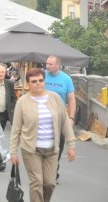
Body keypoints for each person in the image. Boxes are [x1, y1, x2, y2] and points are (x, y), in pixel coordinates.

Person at [10, 68, 75, 202]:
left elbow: (65, 123)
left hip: (52, 150)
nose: (38, 83)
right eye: (34, 81)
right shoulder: (22, 102)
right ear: (28, 84)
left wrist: (70, 145)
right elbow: (15, 129)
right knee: (37, 182)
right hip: (31, 150)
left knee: (50, 183)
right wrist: (13, 152)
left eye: (40, 80)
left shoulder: (55, 98)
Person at [45, 55, 76, 184]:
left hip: (60, 118)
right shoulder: (42, 76)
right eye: (46, 63)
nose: (47, 66)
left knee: (58, 147)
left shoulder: (66, 79)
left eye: (50, 64)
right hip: (43, 117)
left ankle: (53, 172)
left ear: (58, 64)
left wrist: (71, 117)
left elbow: (71, 99)